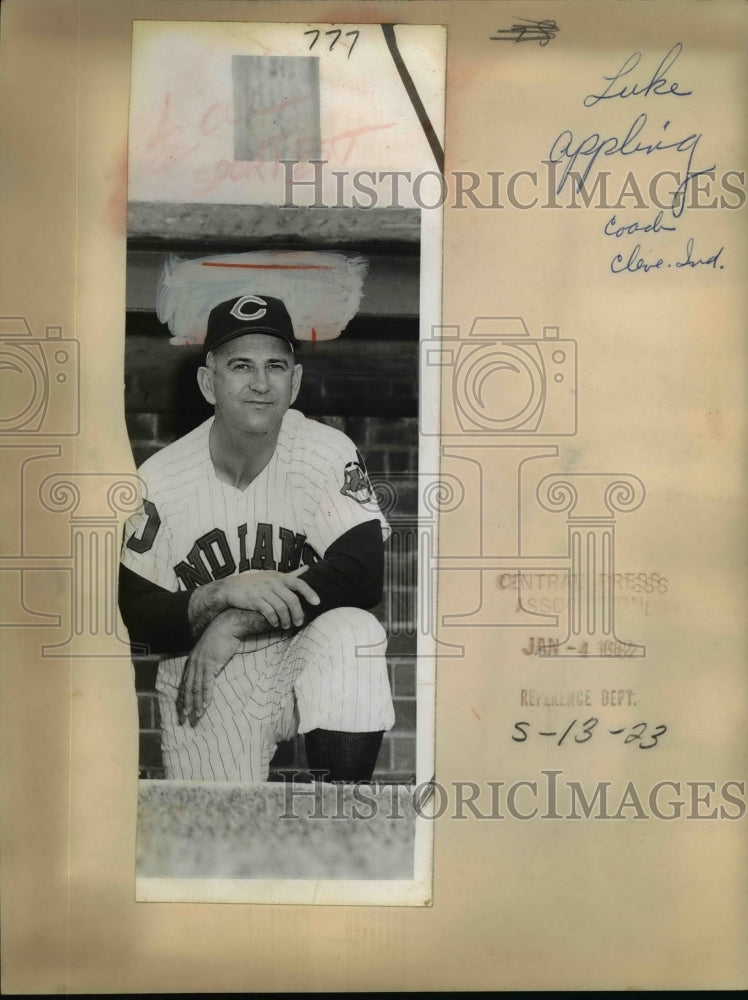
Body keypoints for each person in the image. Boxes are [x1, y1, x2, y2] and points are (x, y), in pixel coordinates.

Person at [119, 293, 395, 783]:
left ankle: (343, 820)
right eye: (241, 366)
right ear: (209, 382)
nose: (262, 384)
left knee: (354, 633)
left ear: (296, 381)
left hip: (297, 651)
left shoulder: (324, 451)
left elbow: (363, 573)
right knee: (211, 844)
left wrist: (235, 621)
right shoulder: (161, 478)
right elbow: (133, 614)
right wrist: (220, 592)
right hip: (206, 677)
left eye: (277, 366)